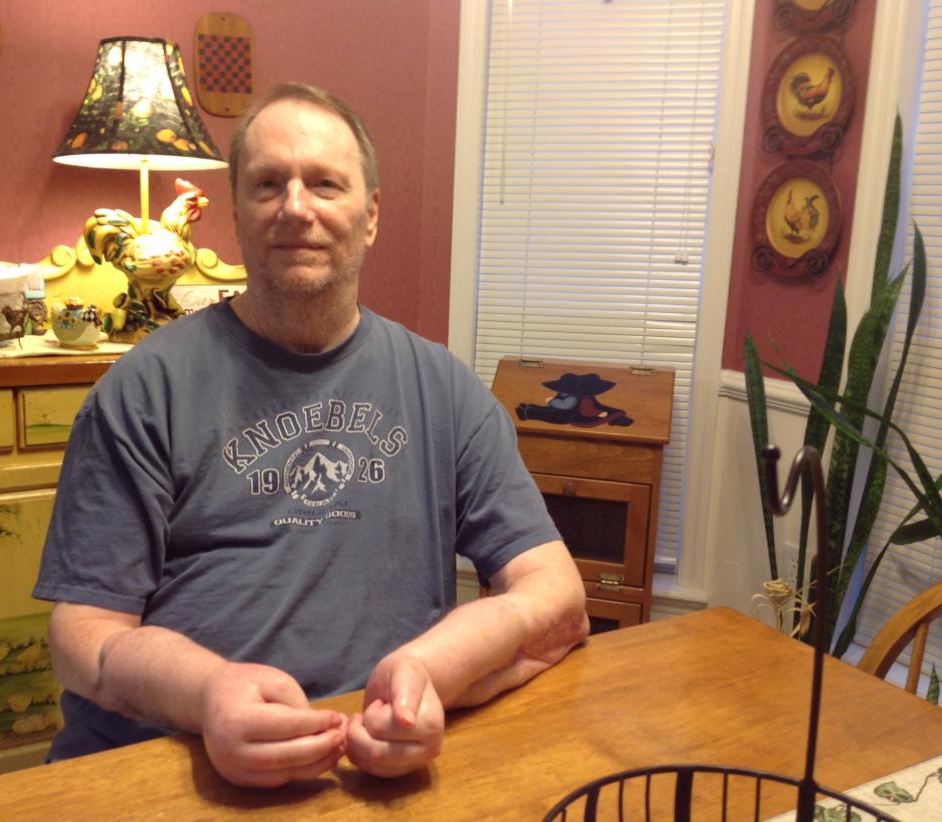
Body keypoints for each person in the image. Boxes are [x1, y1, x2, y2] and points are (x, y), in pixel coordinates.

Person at [33, 81, 589, 788]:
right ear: (236, 212)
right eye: (268, 184)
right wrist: (208, 694)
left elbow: (553, 589)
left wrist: (429, 672)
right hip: (171, 760)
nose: (296, 207)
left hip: (372, 767)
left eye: (325, 183)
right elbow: (82, 639)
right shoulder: (144, 389)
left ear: (371, 214)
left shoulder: (444, 390)